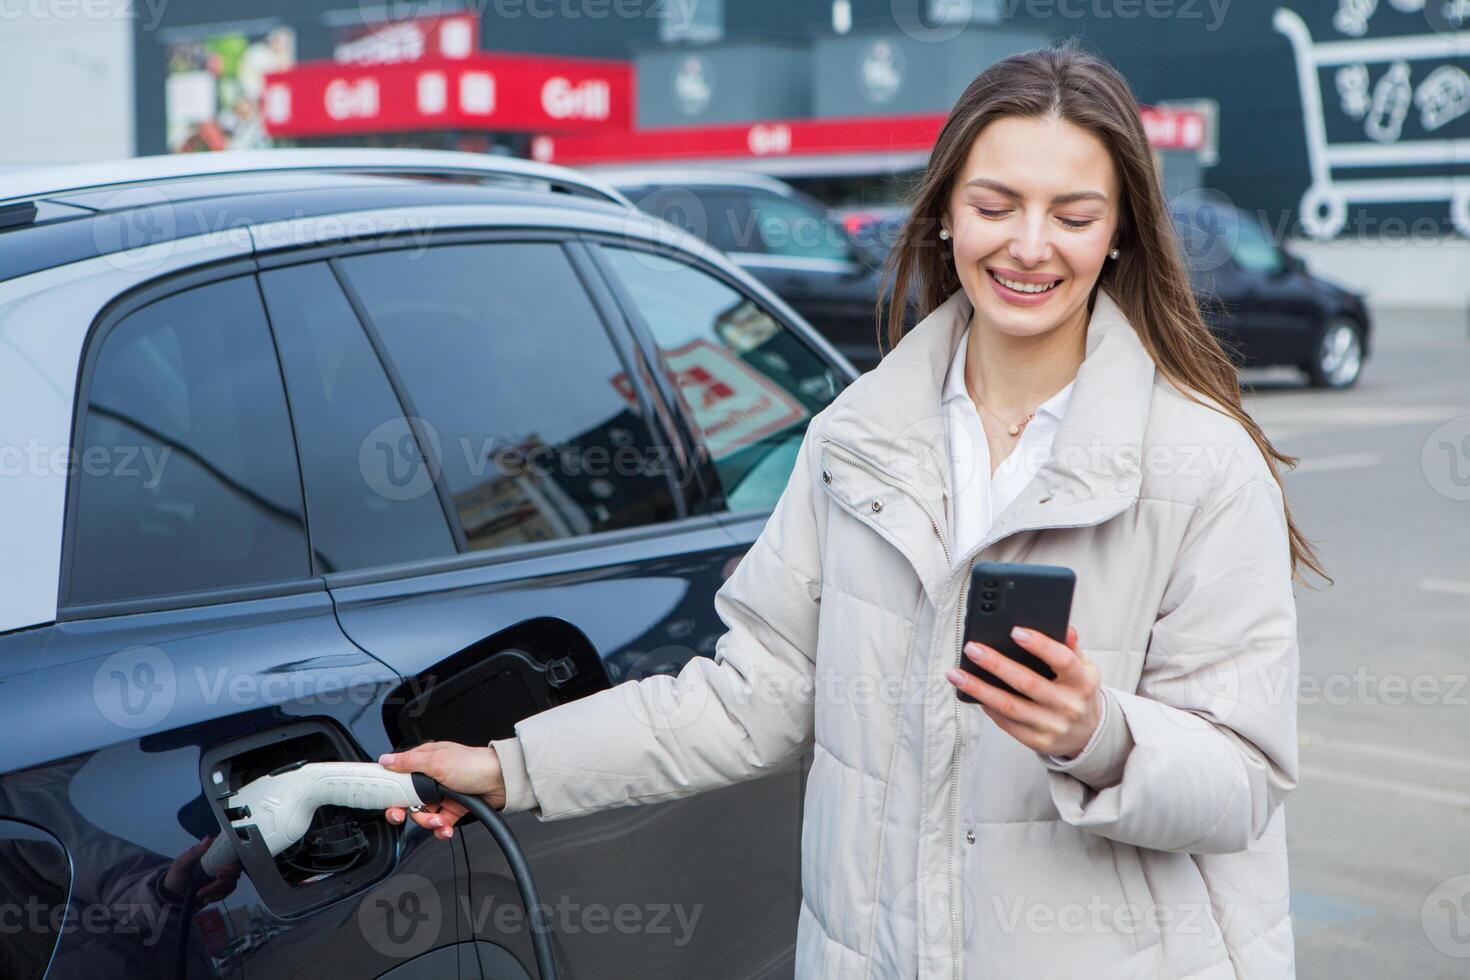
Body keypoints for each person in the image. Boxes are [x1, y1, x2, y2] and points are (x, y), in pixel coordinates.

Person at [380, 39, 1318, 978]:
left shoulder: (1202, 463)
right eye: (995, 206)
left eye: (1072, 216)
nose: (1028, 246)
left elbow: (1242, 783)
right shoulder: (853, 440)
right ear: (947, 211)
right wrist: (513, 766)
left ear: (1118, 234)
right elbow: (749, 702)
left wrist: (1095, 735)